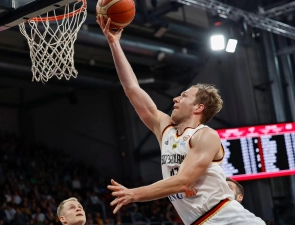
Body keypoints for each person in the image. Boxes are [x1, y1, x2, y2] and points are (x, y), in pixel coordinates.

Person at [96, 15, 265, 225]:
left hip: (227, 219)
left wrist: (134, 194)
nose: (176, 98)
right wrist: (114, 44)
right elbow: (132, 90)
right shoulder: (165, 129)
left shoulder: (205, 136)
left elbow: (183, 181)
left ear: (199, 107)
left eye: (184, 95)